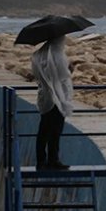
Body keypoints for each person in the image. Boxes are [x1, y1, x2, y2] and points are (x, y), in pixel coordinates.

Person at [31, 35, 76, 170]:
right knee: (55, 130)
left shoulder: (38, 54)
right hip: (57, 97)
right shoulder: (57, 54)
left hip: (44, 97)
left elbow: (40, 74)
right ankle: (53, 160)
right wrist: (70, 69)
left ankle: (41, 161)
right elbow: (63, 75)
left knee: (43, 130)